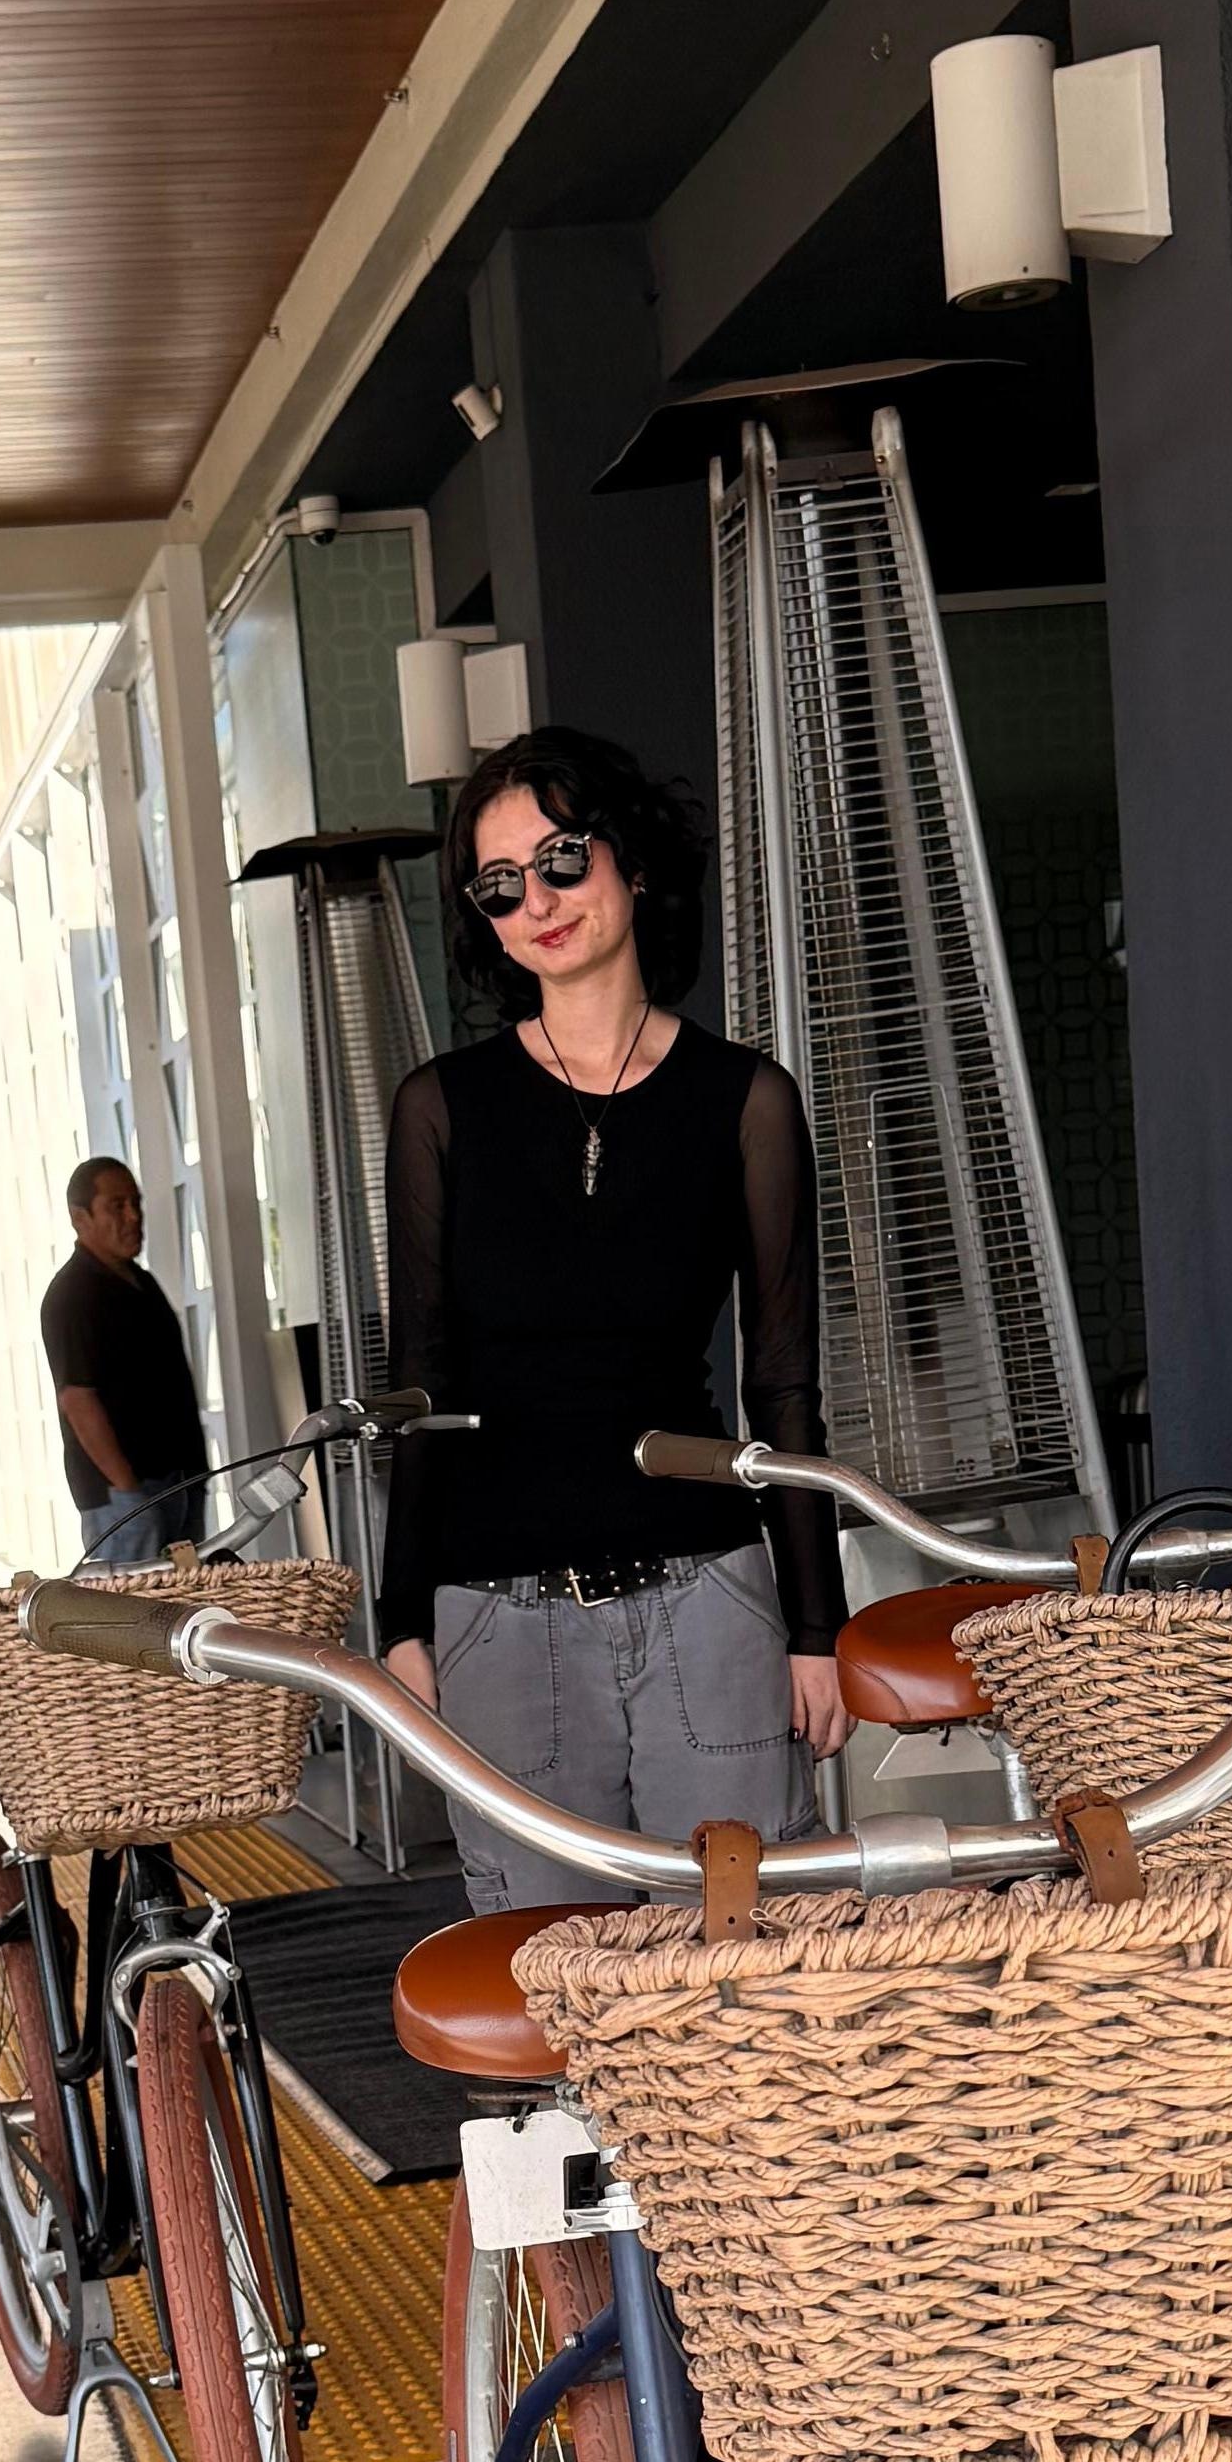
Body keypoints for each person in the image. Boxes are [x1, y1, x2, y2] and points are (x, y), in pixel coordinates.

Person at [376, 730, 846, 1922]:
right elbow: (421, 1380)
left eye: (561, 859)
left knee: (748, 1985)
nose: (535, 901)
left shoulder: (746, 1100)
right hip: (495, 1615)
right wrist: (400, 1618)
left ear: (629, 864)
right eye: (499, 887)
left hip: (711, 1601)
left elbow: (784, 1385)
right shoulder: (442, 1108)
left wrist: (813, 1626)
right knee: (551, 1998)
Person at [40, 1156, 210, 1561]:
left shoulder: (142, 1282)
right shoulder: (70, 1295)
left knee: (187, 1608)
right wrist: (128, 1491)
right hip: (124, 1496)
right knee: (135, 1614)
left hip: (178, 1480)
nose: (133, 1217)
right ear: (80, 1217)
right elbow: (79, 1401)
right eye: (116, 1206)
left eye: (136, 1203)